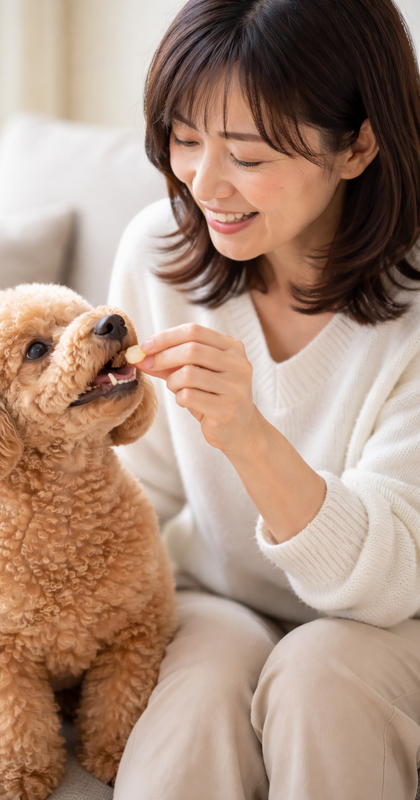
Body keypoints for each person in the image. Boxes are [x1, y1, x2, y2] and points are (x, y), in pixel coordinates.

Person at [107, 0, 420, 797]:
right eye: (184, 139)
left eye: (246, 155)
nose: (204, 183)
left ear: (357, 145)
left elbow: (391, 580)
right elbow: (134, 487)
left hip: (394, 622)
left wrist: (247, 435)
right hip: (219, 595)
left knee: (320, 676)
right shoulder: (157, 252)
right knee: (195, 703)